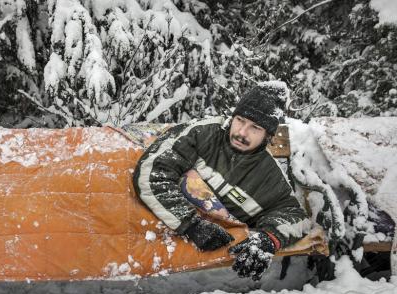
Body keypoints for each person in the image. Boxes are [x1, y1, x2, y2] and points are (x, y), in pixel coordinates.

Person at [132, 81, 311, 281]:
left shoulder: (268, 174)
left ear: (268, 136)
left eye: (255, 127)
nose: (242, 132)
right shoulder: (203, 134)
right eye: (240, 120)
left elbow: (295, 215)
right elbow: (153, 171)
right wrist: (191, 224)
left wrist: (268, 240)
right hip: (149, 223)